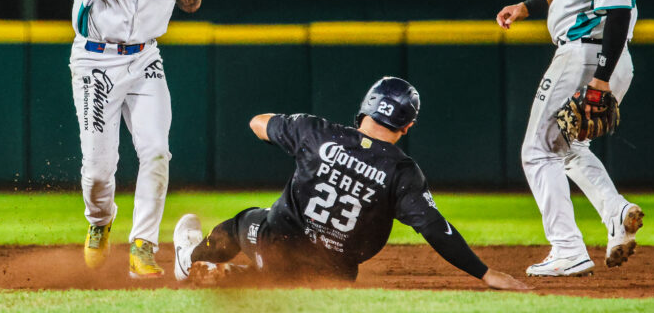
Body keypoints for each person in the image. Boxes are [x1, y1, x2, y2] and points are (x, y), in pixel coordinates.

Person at [70, 0, 258, 278]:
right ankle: (99, 222)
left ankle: (143, 245)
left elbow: (190, 2)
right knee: (99, 170)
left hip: (145, 59)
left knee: (156, 152)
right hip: (97, 60)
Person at [172, 77, 529, 290]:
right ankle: (240, 276)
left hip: (272, 246)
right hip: (332, 276)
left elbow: (256, 122)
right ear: (408, 125)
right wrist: (486, 274)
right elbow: (437, 229)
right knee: (295, 273)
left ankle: (190, 259)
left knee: (243, 221)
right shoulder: (403, 171)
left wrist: (292, 130)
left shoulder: (317, 132)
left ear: (367, 107)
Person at [496, 0, 643, 277]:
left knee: (537, 151)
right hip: (603, 56)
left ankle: (567, 249)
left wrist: (598, 79)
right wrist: (527, 6)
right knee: (569, 149)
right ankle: (617, 214)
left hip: (588, 54)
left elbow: (616, 13)